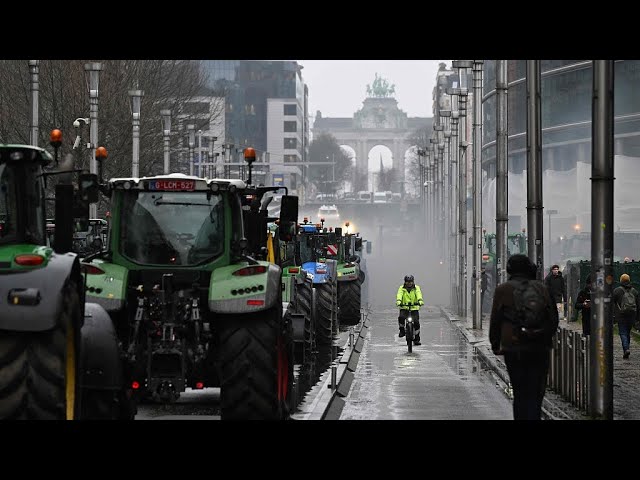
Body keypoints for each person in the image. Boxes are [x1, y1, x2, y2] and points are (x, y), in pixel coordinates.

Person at [489, 254, 559, 420]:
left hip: (514, 347)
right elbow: (553, 319)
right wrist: (543, 336)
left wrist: (495, 344)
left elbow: (496, 320)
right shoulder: (542, 288)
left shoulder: (503, 290)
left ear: (510, 269)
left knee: (520, 392)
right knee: (536, 392)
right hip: (539, 347)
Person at [612, 273, 640, 360]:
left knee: (623, 333)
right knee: (627, 332)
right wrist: (637, 317)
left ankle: (626, 348)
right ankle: (626, 348)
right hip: (632, 315)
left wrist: (613, 315)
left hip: (621, 315)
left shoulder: (617, 290)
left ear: (621, 280)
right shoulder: (634, 291)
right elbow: (638, 305)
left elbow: (612, 303)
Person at [396, 274, 424, 346]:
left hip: (414, 308)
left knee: (416, 323)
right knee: (401, 318)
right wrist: (399, 301)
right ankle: (402, 330)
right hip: (404, 308)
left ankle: (417, 339)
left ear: (413, 282)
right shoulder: (401, 288)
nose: (409, 283)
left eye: (410, 282)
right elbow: (399, 294)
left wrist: (420, 301)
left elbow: (419, 294)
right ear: (405, 282)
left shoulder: (416, 288)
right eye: (407, 282)